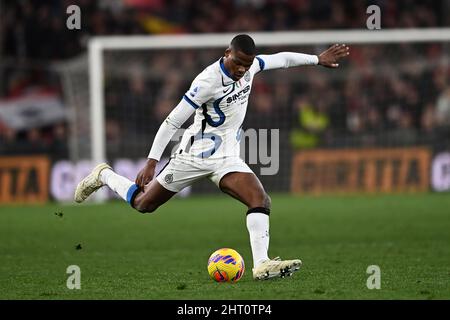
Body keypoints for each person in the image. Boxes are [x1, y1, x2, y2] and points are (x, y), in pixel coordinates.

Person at [75, 34, 349, 280]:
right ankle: (104, 175)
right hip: (191, 157)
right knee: (144, 204)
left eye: (247, 64)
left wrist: (317, 59)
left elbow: (282, 59)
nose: (242, 70)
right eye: (238, 63)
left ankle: (262, 263)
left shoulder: (251, 66)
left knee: (259, 199)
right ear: (227, 53)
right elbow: (172, 122)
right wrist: (152, 161)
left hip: (227, 157)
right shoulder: (206, 81)